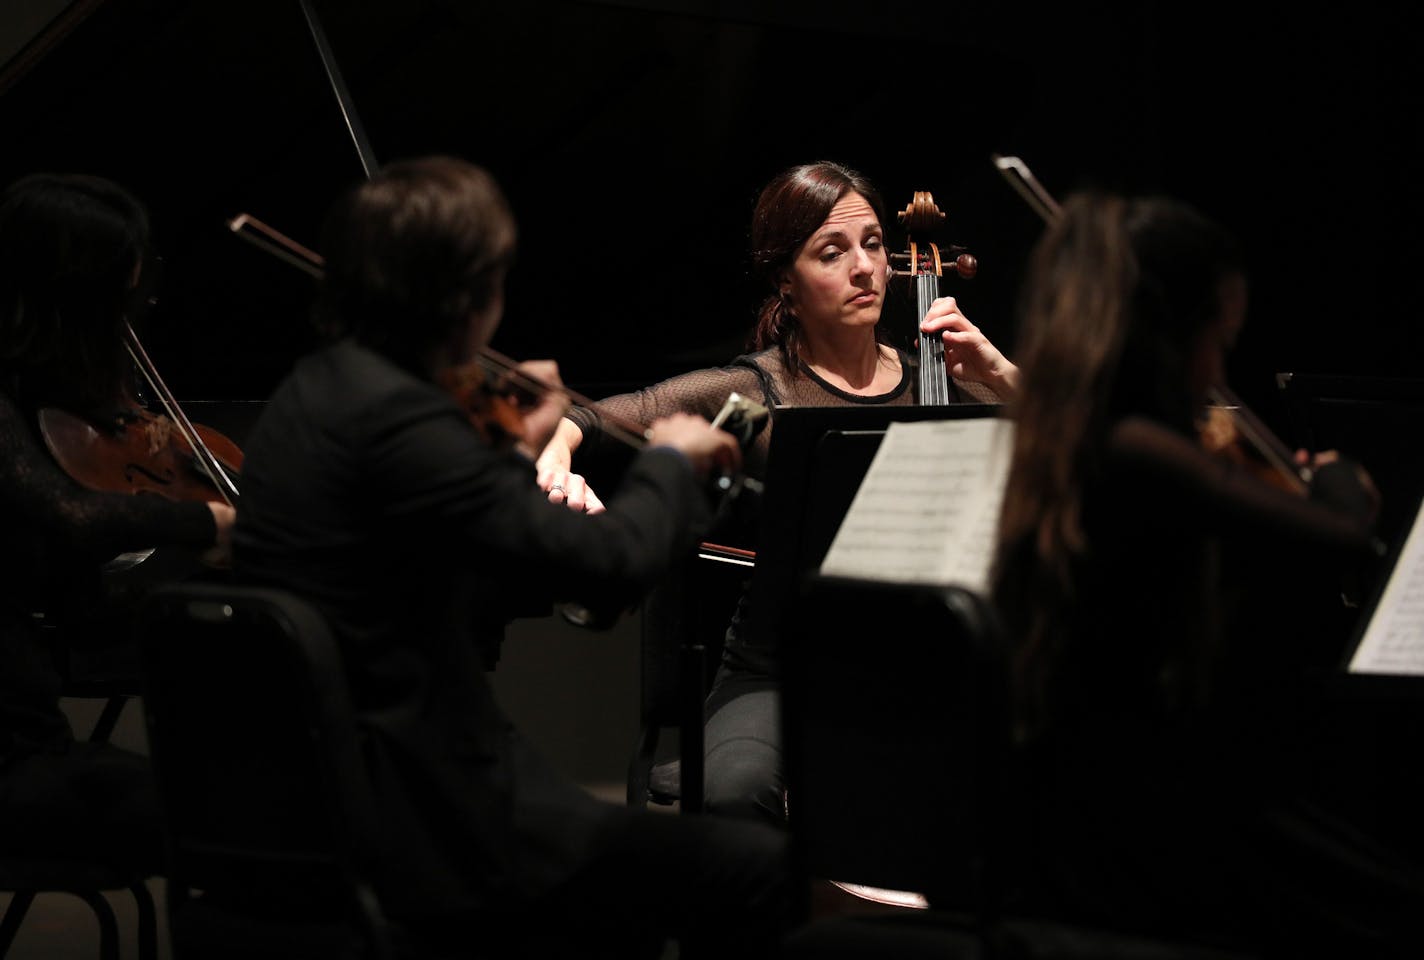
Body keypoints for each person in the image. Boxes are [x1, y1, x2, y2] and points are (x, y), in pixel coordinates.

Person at [231, 155, 792, 958]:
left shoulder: (317, 393)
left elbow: (423, 526)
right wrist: (670, 462)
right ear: (466, 296)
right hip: (426, 811)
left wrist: (504, 429)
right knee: (756, 871)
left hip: (315, 792)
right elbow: (609, 565)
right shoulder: (406, 422)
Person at [990, 190, 1424, 956]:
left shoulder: (1067, 442)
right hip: (1148, 829)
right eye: (1218, 340)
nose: (1221, 366)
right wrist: (1338, 474)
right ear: (1167, 335)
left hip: (1118, 801)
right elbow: (1342, 535)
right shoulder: (1137, 452)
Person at [534, 159, 1019, 823]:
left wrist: (999, 373)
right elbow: (587, 416)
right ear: (785, 283)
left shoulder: (945, 378)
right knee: (734, 793)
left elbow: (1085, 448)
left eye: (874, 245)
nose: (865, 269)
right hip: (782, 672)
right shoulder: (758, 393)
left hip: (927, 666)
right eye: (832, 252)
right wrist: (557, 454)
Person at [0, 172, 234, 875]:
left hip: (35, 747)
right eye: (114, 308)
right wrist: (203, 523)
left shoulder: (38, 417)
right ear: (62, 302)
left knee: (257, 812)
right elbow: (71, 518)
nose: (128, 330)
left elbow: (84, 621)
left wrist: (199, 575)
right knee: (245, 828)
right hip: (11, 767)